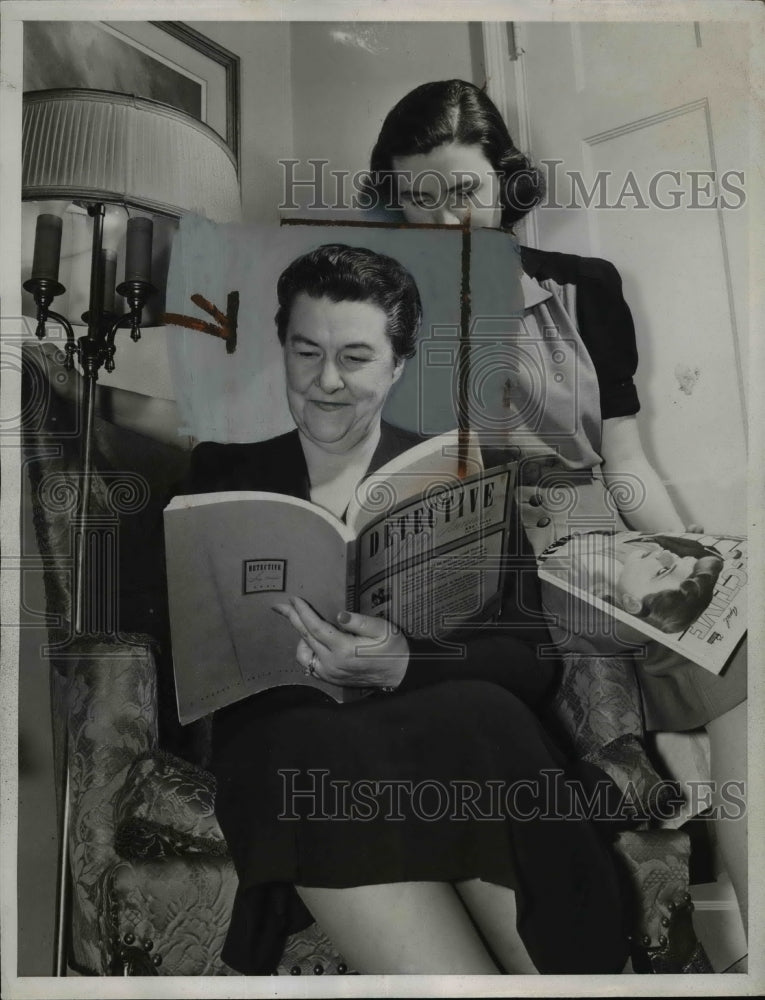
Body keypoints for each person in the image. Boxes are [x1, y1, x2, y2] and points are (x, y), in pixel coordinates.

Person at [182, 242, 630, 975]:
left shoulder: (461, 473)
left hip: (443, 728)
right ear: (283, 352)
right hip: (294, 738)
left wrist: (403, 660)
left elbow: (529, 659)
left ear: (395, 365)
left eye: (355, 358)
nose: (326, 381)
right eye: (306, 353)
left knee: (487, 713)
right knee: (297, 749)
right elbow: (188, 647)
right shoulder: (222, 472)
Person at [367, 78, 747, 938]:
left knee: (737, 634)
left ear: (504, 180)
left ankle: (749, 940)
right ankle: (622, 775)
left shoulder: (586, 288)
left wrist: (697, 555)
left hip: (588, 536)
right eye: (417, 202)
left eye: (462, 191)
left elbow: (623, 462)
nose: (444, 221)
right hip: (462, 553)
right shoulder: (378, 307)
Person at [538, 533, 724, 632]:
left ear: (631, 602)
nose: (665, 554)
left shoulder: (577, 583)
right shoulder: (648, 548)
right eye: (679, 558)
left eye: (663, 570)